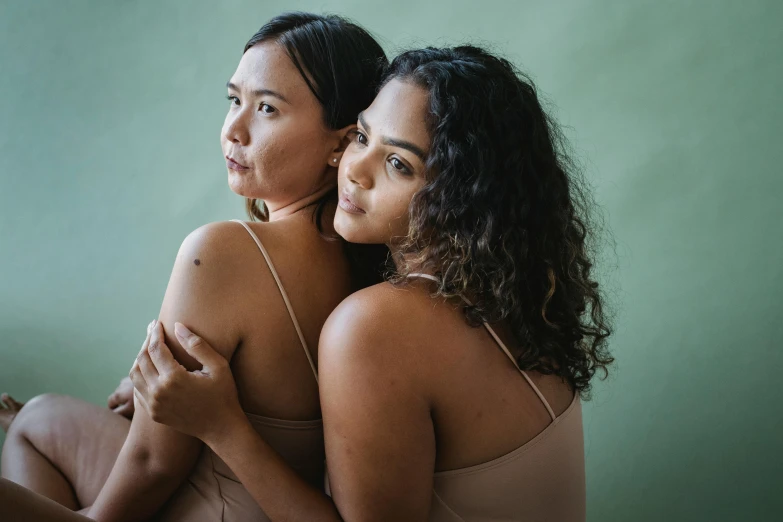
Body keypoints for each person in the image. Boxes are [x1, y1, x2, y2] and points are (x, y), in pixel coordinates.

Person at [130, 45, 614, 521]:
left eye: (398, 164)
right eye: (362, 138)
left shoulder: (376, 325)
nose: (353, 168)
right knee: (51, 420)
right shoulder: (516, 300)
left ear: (461, 199)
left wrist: (221, 426)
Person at [0, 11, 387, 521]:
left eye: (267, 109)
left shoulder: (223, 251)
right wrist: (148, 393)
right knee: (39, 416)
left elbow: (154, 460)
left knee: (26, 432)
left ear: (340, 144)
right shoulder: (372, 251)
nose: (234, 130)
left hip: (215, 507)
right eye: (234, 100)